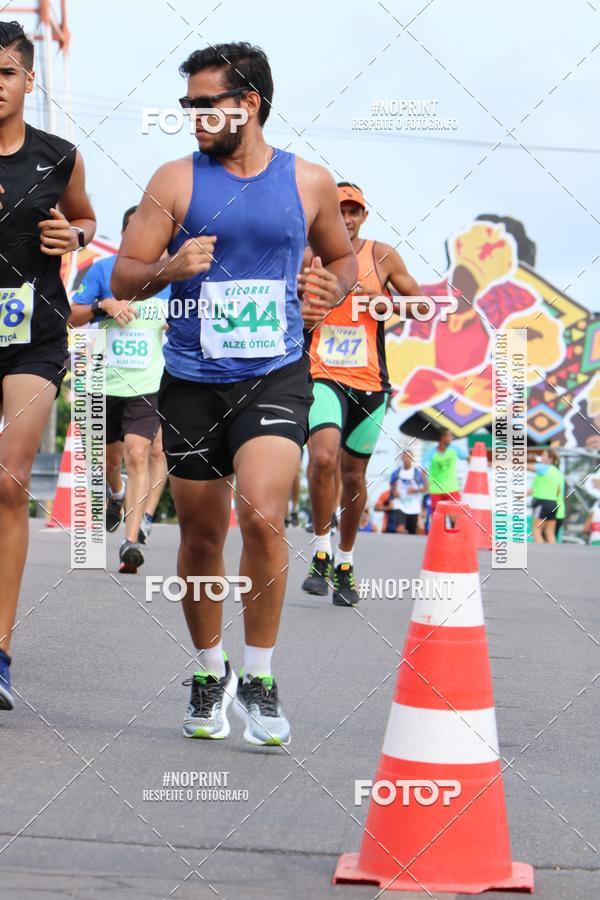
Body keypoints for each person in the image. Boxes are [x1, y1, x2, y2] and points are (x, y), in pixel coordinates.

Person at [110, 43, 357, 744]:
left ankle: (261, 675)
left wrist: (327, 289)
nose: (191, 115)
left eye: (205, 102)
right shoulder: (174, 181)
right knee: (201, 535)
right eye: (187, 104)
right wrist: (167, 267)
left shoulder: (307, 181)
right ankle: (209, 668)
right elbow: (123, 277)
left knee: (262, 515)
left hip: (274, 373)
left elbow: (342, 260)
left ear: (247, 105)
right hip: (191, 381)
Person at [0, 21, 95, 710]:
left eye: (5, 71)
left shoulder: (58, 155)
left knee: (9, 482)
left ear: (29, 80)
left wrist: (75, 234)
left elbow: (85, 221)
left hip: (31, 333)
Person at [301, 181, 422, 606]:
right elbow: (279, 301)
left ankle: (345, 561)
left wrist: (382, 302)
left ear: (364, 216)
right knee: (322, 457)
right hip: (321, 375)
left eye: (354, 212)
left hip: (371, 383)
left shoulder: (382, 256)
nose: (347, 219)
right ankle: (320, 549)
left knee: (353, 476)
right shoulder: (307, 254)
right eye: (339, 211)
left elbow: (421, 306)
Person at [69, 206, 169, 572]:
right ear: (127, 235)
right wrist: (103, 305)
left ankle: (131, 542)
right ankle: (117, 494)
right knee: (110, 462)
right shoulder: (102, 271)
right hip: (102, 380)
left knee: (140, 453)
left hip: (148, 385)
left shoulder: (172, 280)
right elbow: (72, 315)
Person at [423, 428, 468, 513]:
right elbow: (423, 469)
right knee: (437, 519)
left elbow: (468, 458)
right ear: (442, 438)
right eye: (449, 435)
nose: (451, 438)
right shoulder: (431, 453)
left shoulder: (454, 449)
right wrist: (425, 484)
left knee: (455, 517)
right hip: (436, 490)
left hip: (452, 489)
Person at [528, 449, 561, 544]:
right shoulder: (556, 472)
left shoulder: (544, 468)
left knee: (536, 530)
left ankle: (541, 556)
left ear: (550, 459)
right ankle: (555, 556)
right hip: (554, 504)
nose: (541, 457)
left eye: (543, 455)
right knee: (549, 533)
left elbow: (527, 466)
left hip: (543, 503)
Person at [391, 450, 428, 534]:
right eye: (404, 457)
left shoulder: (417, 473)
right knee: (400, 529)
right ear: (401, 458)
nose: (406, 459)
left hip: (413, 507)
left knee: (413, 531)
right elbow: (392, 484)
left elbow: (426, 488)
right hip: (400, 504)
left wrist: (415, 490)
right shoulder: (396, 472)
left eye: (408, 457)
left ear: (412, 458)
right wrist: (394, 491)